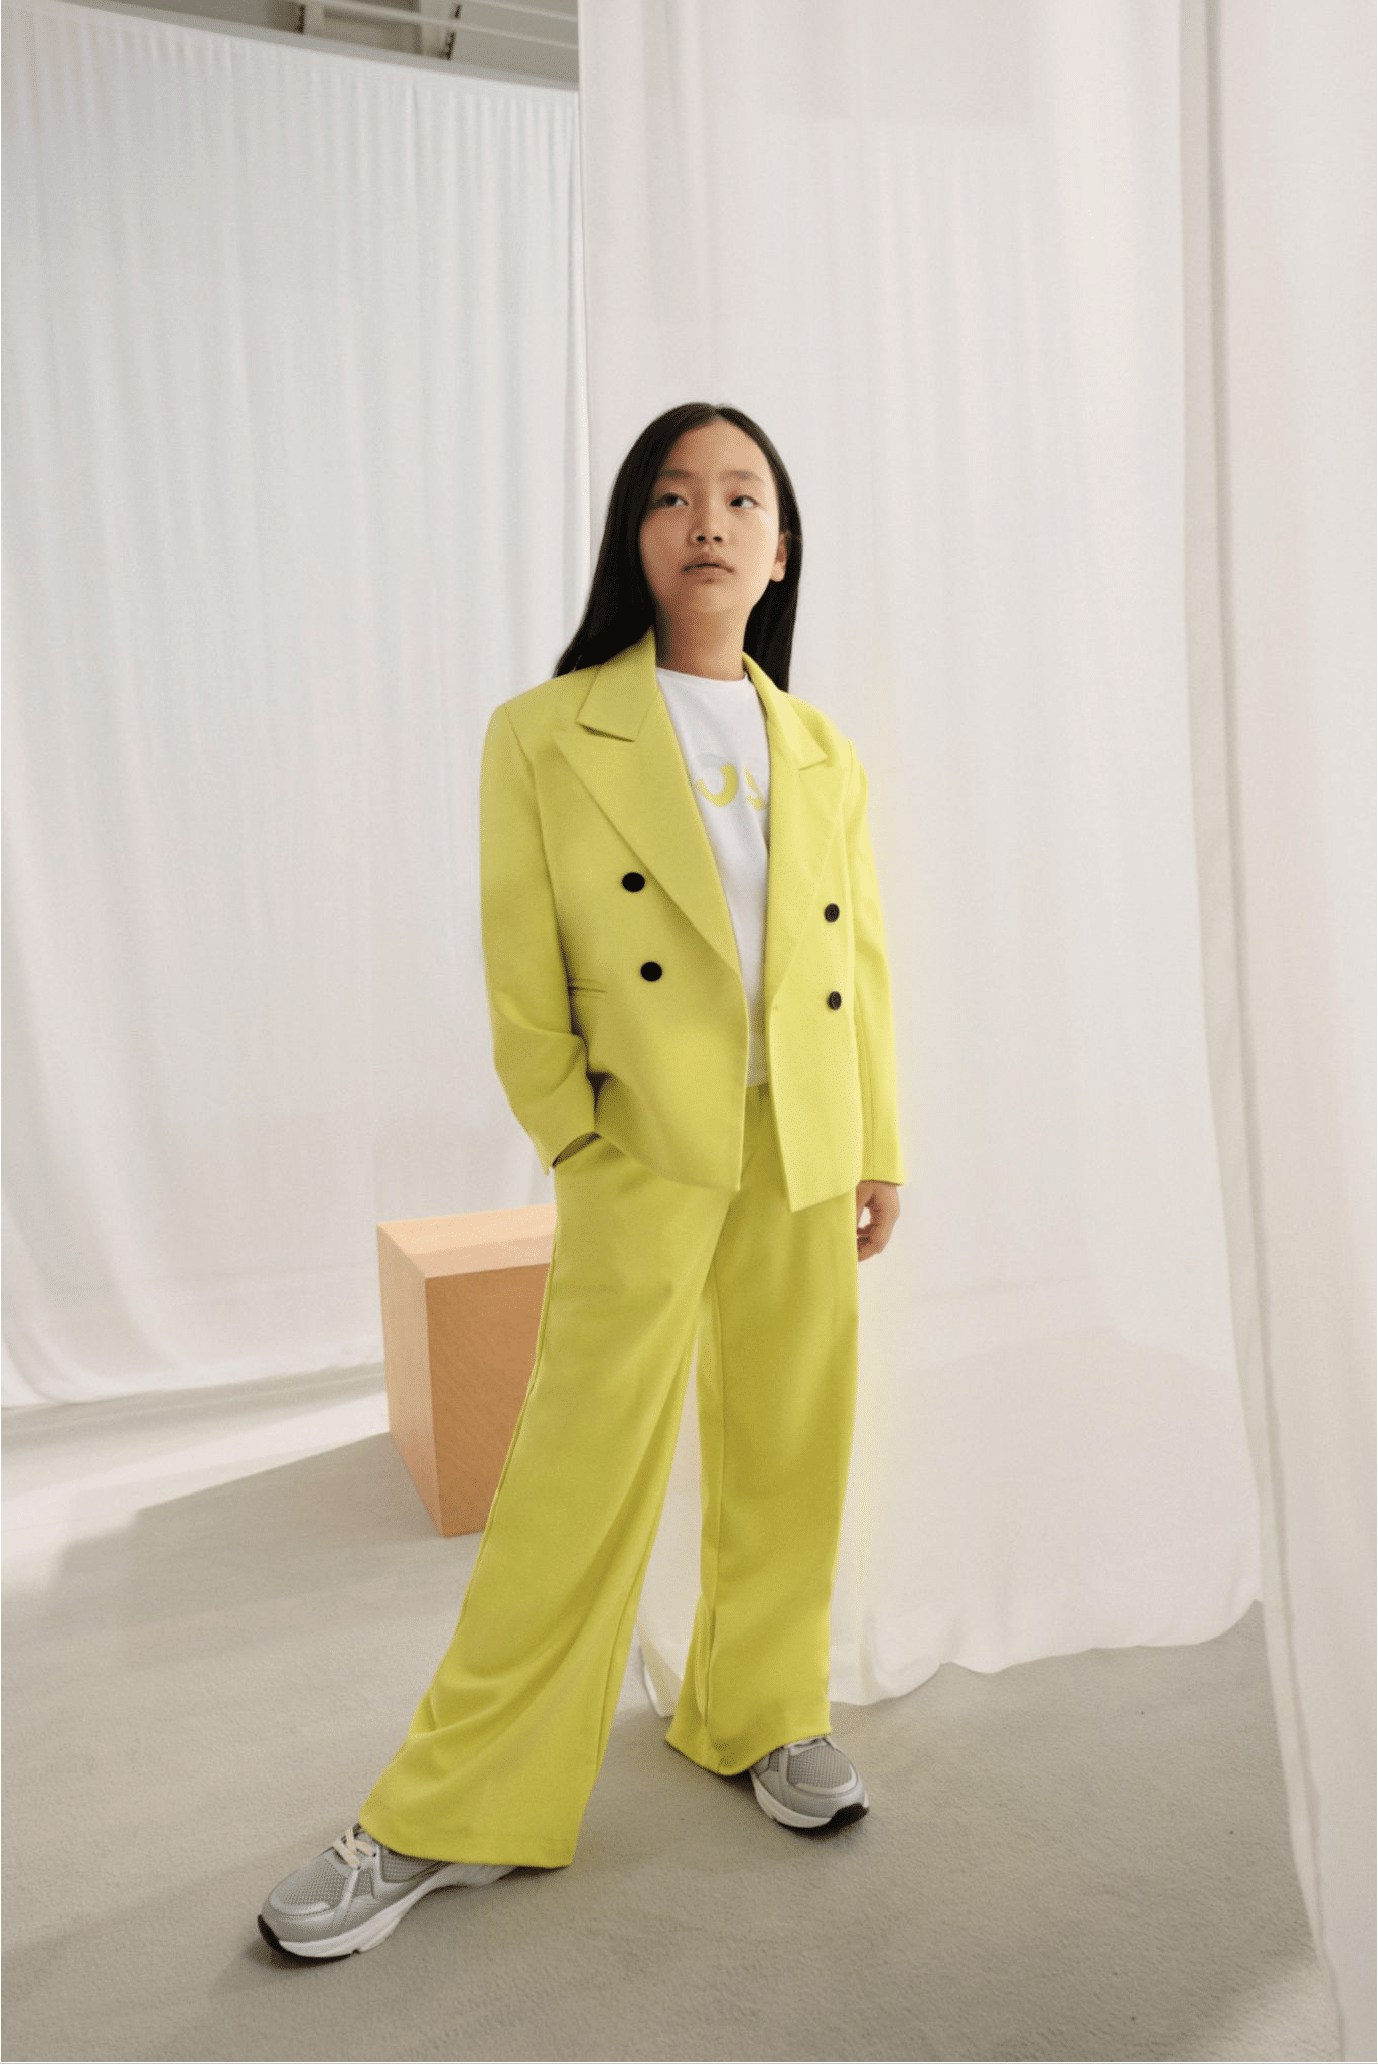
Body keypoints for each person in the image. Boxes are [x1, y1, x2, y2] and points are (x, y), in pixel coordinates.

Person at [257, 401, 906, 1961]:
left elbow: (862, 961)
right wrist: (575, 1136)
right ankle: (449, 1804)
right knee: (576, 1471)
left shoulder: (821, 746)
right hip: (644, 1143)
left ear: (781, 548)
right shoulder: (546, 731)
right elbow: (519, 965)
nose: (709, 520)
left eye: (741, 497)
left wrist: (878, 1141)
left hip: (804, 1139)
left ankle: (761, 1709)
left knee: (792, 1444)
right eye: (673, 495)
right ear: (634, 534)